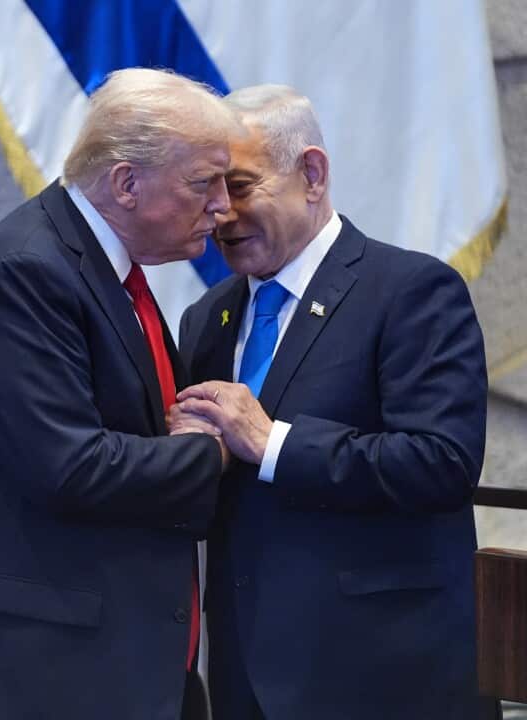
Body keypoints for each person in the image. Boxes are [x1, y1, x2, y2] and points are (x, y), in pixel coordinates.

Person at [0, 68, 239, 720]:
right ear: (126, 183)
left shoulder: (102, 272)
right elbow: (72, 468)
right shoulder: (25, 272)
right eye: (204, 182)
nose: (225, 205)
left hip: (94, 664)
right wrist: (214, 448)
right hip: (18, 674)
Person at [173, 85, 488, 719]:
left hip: (382, 678)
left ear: (311, 174)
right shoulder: (207, 319)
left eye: (239, 186)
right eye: (208, 190)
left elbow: (441, 464)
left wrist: (272, 443)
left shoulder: (410, 290)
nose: (221, 213)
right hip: (246, 680)